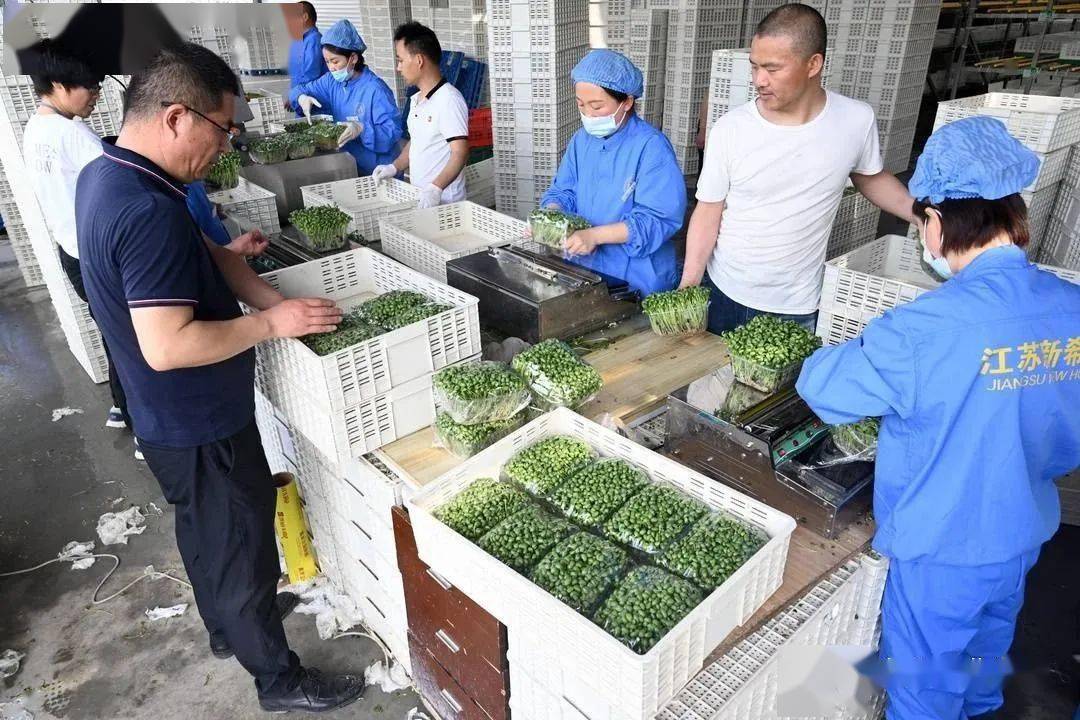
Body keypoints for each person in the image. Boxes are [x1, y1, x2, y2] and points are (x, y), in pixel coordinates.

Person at [75, 44, 365, 714]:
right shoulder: (147, 211)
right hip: (200, 418)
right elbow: (169, 346)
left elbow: (201, 252)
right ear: (177, 117)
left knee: (205, 533)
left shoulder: (117, 174)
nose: (225, 148)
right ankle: (276, 677)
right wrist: (274, 324)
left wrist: (254, 284)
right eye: (223, 130)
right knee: (242, 547)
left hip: (166, 424)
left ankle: (223, 629)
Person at [796, 116, 1080, 720]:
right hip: (1021, 532)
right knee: (984, 652)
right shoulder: (1071, 307)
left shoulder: (924, 328)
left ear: (939, 221)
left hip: (944, 548)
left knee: (923, 684)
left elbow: (822, 387)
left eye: (920, 222)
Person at [681, 4, 915, 334]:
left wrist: (921, 215)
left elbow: (869, 176)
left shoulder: (854, 120)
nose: (759, 80)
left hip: (797, 304)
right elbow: (708, 210)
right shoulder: (731, 129)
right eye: (755, 67)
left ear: (813, 64)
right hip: (725, 292)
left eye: (773, 69)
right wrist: (690, 283)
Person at [20, 41, 136, 449]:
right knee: (132, 335)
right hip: (100, 255)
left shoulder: (36, 129)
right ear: (58, 84)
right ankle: (145, 426)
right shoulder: (69, 133)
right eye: (90, 86)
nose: (96, 94)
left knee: (111, 327)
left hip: (72, 251)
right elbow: (119, 184)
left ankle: (122, 406)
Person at [538, 49, 687, 296]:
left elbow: (658, 219)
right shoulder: (581, 141)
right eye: (581, 105)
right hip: (585, 267)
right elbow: (564, 190)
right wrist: (551, 218)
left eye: (597, 106)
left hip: (638, 276)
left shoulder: (651, 147)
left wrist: (595, 236)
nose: (588, 114)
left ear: (626, 102)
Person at [370, 22, 469, 209]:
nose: (398, 68)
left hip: (446, 204)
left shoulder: (449, 99)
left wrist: (435, 188)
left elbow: (460, 152)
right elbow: (417, 141)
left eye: (400, 60)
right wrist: (395, 166)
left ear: (419, 60)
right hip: (422, 199)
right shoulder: (416, 99)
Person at [289, 19, 403, 175]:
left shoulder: (375, 89)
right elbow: (298, 90)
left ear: (353, 58)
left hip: (378, 171)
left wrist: (362, 129)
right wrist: (301, 97)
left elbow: (393, 131)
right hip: (348, 166)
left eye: (335, 61)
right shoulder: (331, 82)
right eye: (327, 62)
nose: (331, 68)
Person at [186, 180, 271, 257]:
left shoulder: (193, 182)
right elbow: (190, 263)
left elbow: (205, 216)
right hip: (216, 266)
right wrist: (235, 249)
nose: (214, 162)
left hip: (226, 258)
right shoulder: (177, 204)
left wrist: (213, 210)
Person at [284, 1, 327, 115]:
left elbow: (310, 74)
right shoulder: (302, 40)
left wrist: (296, 96)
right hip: (301, 97)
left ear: (305, 17)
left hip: (312, 100)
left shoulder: (313, 40)